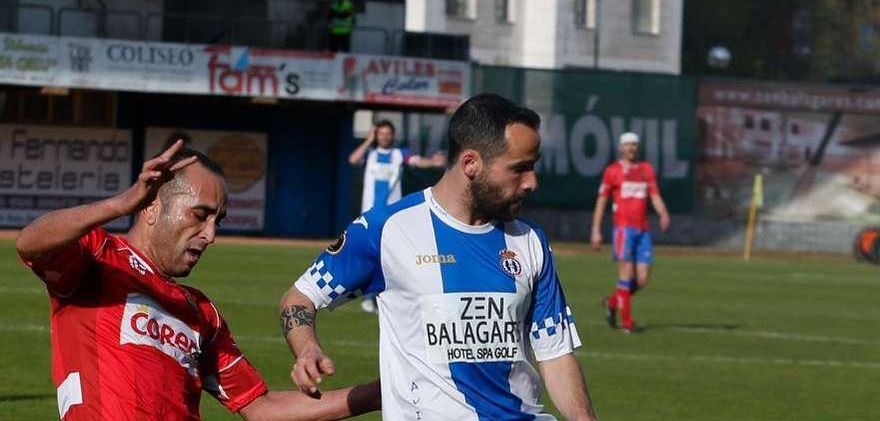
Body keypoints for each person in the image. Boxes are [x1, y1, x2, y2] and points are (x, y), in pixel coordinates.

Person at [281, 94, 599, 420]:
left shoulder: (530, 240)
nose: (532, 182)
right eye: (520, 169)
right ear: (471, 164)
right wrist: (307, 349)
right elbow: (299, 298)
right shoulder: (385, 230)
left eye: (533, 166)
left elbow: (555, 352)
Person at [16, 140, 380, 421]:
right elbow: (31, 243)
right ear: (152, 206)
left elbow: (261, 407)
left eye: (217, 221)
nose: (210, 234)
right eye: (200, 215)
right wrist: (119, 204)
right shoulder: (99, 258)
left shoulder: (201, 310)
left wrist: (383, 392)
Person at [347, 119, 446, 313]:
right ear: (377, 135)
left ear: (393, 135)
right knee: (371, 257)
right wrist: (368, 140)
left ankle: (387, 297)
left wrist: (433, 162)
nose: (385, 136)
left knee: (393, 258)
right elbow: (352, 159)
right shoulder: (370, 154)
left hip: (392, 216)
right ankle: (368, 297)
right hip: (370, 215)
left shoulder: (399, 154)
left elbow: (417, 161)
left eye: (388, 133)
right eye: (381, 133)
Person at [590, 132, 670, 334]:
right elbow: (601, 201)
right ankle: (627, 323)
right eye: (627, 144)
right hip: (623, 230)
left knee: (642, 279)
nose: (631, 148)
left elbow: (655, 195)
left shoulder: (646, 170)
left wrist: (663, 213)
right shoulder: (612, 171)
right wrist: (596, 229)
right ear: (620, 148)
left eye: (634, 144)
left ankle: (611, 302)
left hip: (643, 230)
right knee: (626, 275)